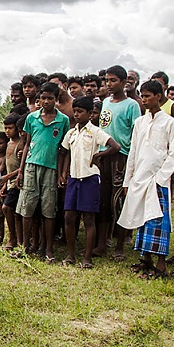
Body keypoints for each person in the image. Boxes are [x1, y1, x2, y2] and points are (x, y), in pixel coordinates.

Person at [117, 81, 174, 279]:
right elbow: (133, 152)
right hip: (140, 177)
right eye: (142, 96)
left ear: (158, 96)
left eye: (147, 96)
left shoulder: (170, 122)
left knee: (158, 220)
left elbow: (172, 153)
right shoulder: (140, 123)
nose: (144, 100)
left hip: (158, 179)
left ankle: (161, 264)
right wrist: (128, 180)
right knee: (142, 218)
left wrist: (161, 178)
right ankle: (146, 259)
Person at [59, 96, 120, 268]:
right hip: (73, 178)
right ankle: (70, 254)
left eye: (80, 112)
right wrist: (63, 173)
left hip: (90, 178)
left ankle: (87, 257)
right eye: (75, 111)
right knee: (69, 216)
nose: (77, 115)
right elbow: (64, 152)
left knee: (89, 218)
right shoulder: (71, 133)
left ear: (90, 113)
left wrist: (99, 156)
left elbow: (115, 147)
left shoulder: (95, 132)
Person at [16, 82, 70, 262]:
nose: (46, 102)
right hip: (31, 166)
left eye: (50, 98)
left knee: (48, 210)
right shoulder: (32, 118)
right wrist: (21, 171)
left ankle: (48, 249)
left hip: (51, 168)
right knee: (27, 208)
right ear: (39, 99)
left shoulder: (63, 120)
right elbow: (26, 145)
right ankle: (25, 246)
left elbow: (64, 150)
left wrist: (62, 173)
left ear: (56, 99)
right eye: (43, 98)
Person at [93, 65, 141, 260]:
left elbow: (136, 134)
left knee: (118, 202)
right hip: (103, 155)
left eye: (113, 80)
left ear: (123, 82)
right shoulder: (105, 102)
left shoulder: (132, 105)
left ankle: (120, 245)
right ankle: (102, 244)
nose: (109, 84)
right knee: (103, 201)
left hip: (121, 157)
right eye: (107, 80)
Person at [1, 114, 24, 249]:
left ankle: (13, 238)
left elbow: (22, 167)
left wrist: (7, 177)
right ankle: (15, 238)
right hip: (10, 183)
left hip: (17, 183)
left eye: (10, 128)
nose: (7, 131)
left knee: (7, 208)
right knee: (13, 211)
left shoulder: (20, 144)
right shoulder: (9, 143)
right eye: (5, 128)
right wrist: (5, 183)